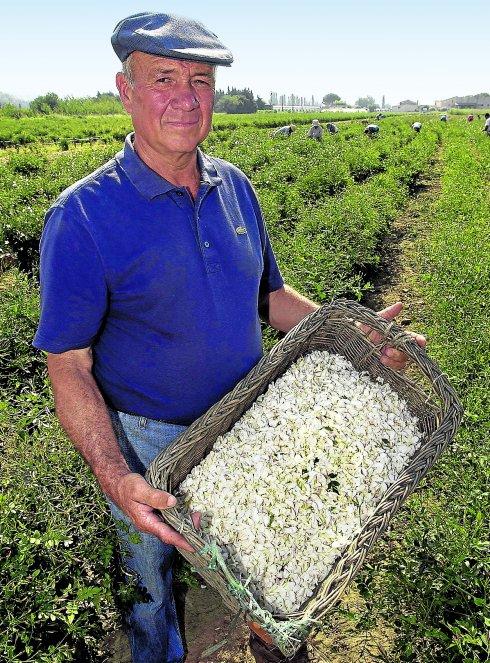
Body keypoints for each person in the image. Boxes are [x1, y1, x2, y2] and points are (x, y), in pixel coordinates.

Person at [33, 11, 426, 663]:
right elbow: (68, 365)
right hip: (148, 441)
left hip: (250, 425)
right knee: (148, 587)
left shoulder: (235, 187)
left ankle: (275, 645)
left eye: (200, 80)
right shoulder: (82, 217)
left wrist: (356, 336)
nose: (186, 98)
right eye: (163, 79)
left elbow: (272, 297)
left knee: (269, 561)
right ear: (125, 90)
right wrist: (115, 472)